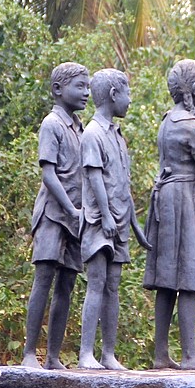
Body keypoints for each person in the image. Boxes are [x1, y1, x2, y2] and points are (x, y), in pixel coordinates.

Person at [143, 59, 195, 371]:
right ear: (192, 90)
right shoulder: (193, 127)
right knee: (189, 275)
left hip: (166, 200)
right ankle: (190, 355)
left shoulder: (167, 121)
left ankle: (161, 354)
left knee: (167, 278)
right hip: (186, 200)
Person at [78, 68, 152, 370]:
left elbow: (122, 184)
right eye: (127, 93)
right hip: (99, 221)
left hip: (120, 222)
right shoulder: (93, 133)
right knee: (96, 283)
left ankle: (108, 353)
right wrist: (106, 216)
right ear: (113, 95)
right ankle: (86, 353)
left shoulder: (118, 137)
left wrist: (134, 226)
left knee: (113, 286)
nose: (130, 100)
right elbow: (94, 177)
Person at [21, 62, 90, 369]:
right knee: (44, 279)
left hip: (76, 217)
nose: (86, 93)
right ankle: (28, 354)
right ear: (58, 90)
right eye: (80, 86)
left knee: (67, 285)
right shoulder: (53, 124)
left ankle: (52, 356)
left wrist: (82, 212)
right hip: (54, 214)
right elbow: (49, 174)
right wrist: (71, 210)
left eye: (88, 87)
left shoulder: (80, 128)